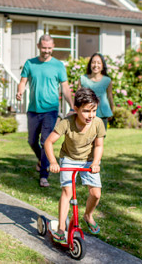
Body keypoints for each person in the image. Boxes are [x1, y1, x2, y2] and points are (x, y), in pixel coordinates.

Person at [44, 87, 106, 243]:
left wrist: (96, 163)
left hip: (89, 160)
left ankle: (88, 215)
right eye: (86, 111)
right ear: (76, 108)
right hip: (69, 158)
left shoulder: (97, 123)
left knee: (96, 194)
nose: (91, 115)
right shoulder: (66, 123)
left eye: (94, 111)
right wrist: (53, 162)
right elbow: (48, 142)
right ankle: (61, 228)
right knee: (67, 192)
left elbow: (99, 146)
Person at [16, 34, 74, 188]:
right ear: (38, 46)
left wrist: (72, 105)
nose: (46, 51)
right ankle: (42, 160)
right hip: (33, 109)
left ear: (53, 47)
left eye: (49, 48)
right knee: (31, 141)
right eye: (44, 48)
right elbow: (22, 82)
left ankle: (43, 176)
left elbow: (66, 88)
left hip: (51, 110)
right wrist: (20, 91)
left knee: (45, 141)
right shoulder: (30, 63)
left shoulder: (58, 65)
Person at [78, 53, 114, 130]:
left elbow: (110, 97)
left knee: (100, 139)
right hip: (86, 114)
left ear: (102, 66)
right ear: (90, 64)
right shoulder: (83, 79)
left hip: (103, 114)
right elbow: (77, 97)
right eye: (93, 62)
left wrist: (112, 111)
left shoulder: (107, 80)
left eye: (98, 63)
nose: (95, 65)